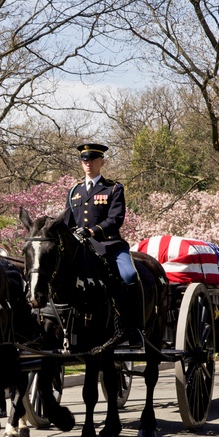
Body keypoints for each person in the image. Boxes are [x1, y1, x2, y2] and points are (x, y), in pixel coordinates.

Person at [62, 142, 142, 346]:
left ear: (102, 162)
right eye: (84, 159)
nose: (88, 163)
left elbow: (116, 219)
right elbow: (66, 222)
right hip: (82, 249)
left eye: (93, 159)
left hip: (109, 246)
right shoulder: (74, 192)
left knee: (130, 275)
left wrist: (91, 231)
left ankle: (132, 326)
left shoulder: (113, 188)